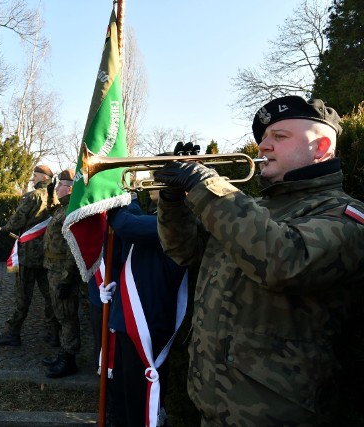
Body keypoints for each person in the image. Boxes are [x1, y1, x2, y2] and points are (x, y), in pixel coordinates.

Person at [154, 96, 364, 425]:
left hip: (278, 414)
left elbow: (283, 261)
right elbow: (185, 251)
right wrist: (172, 200)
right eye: (263, 138)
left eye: (279, 137)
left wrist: (205, 185)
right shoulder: (254, 210)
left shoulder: (345, 214)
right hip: (212, 403)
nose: (262, 146)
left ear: (321, 147)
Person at [99, 190, 187, 427]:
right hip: (127, 323)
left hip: (149, 328)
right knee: (122, 400)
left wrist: (120, 193)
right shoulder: (149, 217)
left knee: (139, 407)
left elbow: (125, 223)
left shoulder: (179, 221)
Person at [0, 164, 59, 347]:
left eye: (35, 175)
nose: (33, 178)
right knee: (50, 295)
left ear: (44, 178)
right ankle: (53, 333)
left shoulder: (33, 196)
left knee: (23, 297)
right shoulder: (56, 197)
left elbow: (16, 221)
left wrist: (4, 230)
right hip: (47, 253)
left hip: (28, 255)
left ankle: (13, 333)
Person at [41, 168, 83, 378]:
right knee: (60, 314)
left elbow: (72, 249)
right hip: (54, 270)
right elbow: (50, 211)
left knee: (67, 316)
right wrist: (50, 193)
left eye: (59, 186)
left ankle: (69, 359)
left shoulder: (71, 211)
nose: (56, 189)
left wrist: (67, 279)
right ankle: (64, 353)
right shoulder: (62, 209)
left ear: (71, 188)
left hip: (62, 273)